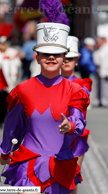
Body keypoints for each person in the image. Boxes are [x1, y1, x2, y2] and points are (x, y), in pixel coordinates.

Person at [0, 20, 90, 194]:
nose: (51, 57)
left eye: (56, 54)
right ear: (37, 57)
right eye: (45, 53)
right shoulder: (22, 90)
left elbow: (79, 122)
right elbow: (12, 127)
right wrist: (5, 152)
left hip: (60, 164)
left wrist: (69, 126)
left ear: (64, 57)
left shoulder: (75, 90)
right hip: (29, 164)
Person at [61, 36, 92, 194]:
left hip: (75, 138)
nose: (66, 61)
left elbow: (81, 98)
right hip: (54, 135)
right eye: (63, 57)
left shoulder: (83, 84)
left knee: (71, 179)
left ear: (77, 60)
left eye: (71, 58)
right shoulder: (49, 82)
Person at [93, 36, 108, 107]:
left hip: (104, 70)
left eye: (98, 42)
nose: (97, 43)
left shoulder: (106, 49)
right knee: (97, 86)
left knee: (104, 86)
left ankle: (104, 100)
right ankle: (98, 100)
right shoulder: (97, 49)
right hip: (98, 70)